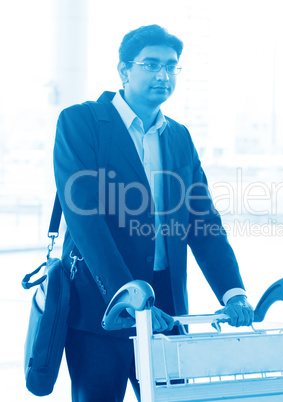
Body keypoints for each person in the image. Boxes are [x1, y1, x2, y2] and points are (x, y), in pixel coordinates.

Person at [53, 24, 254, 402]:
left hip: (168, 307)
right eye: (151, 64)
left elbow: (204, 223)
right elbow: (86, 222)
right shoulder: (81, 122)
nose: (163, 75)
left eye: (171, 66)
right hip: (103, 306)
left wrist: (233, 292)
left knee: (173, 399)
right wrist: (126, 293)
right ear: (124, 70)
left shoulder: (178, 136)